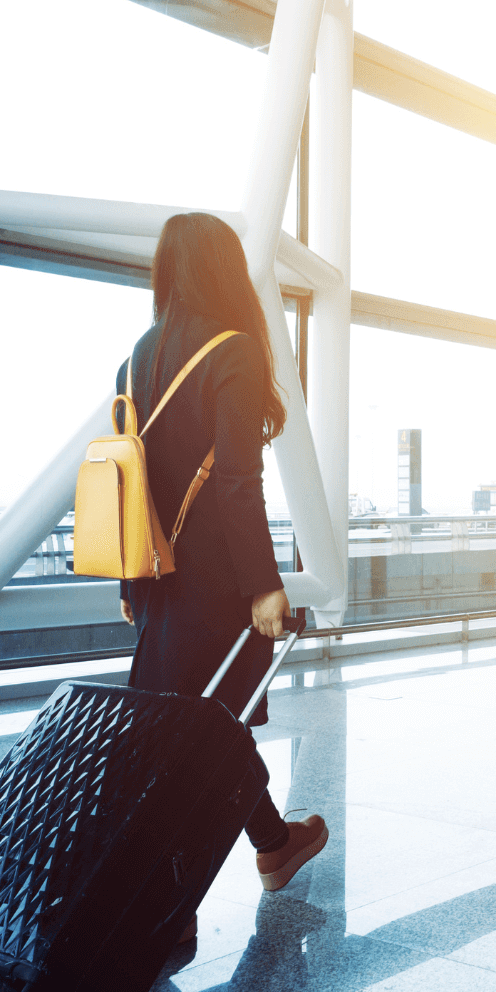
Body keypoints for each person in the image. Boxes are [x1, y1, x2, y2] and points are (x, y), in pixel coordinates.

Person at [116, 212, 330, 924]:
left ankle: (270, 847)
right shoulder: (233, 351)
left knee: (196, 731)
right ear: (223, 270)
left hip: (155, 583)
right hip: (214, 587)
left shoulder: (135, 360)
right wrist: (264, 587)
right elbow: (239, 481)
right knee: (210, 733)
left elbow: (130, 490)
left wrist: (130, 584)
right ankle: (173, 903)